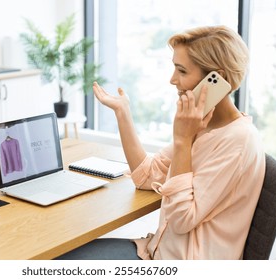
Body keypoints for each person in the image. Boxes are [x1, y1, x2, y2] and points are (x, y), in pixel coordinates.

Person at [56, 25, 265, 260]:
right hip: (156, 251)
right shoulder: (202, 126)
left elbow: (182, 219)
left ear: (216, 79)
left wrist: (183, 139)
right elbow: (147, 175)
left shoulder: (237, 141)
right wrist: (123, 114)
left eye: (182, 71)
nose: (172, 80)